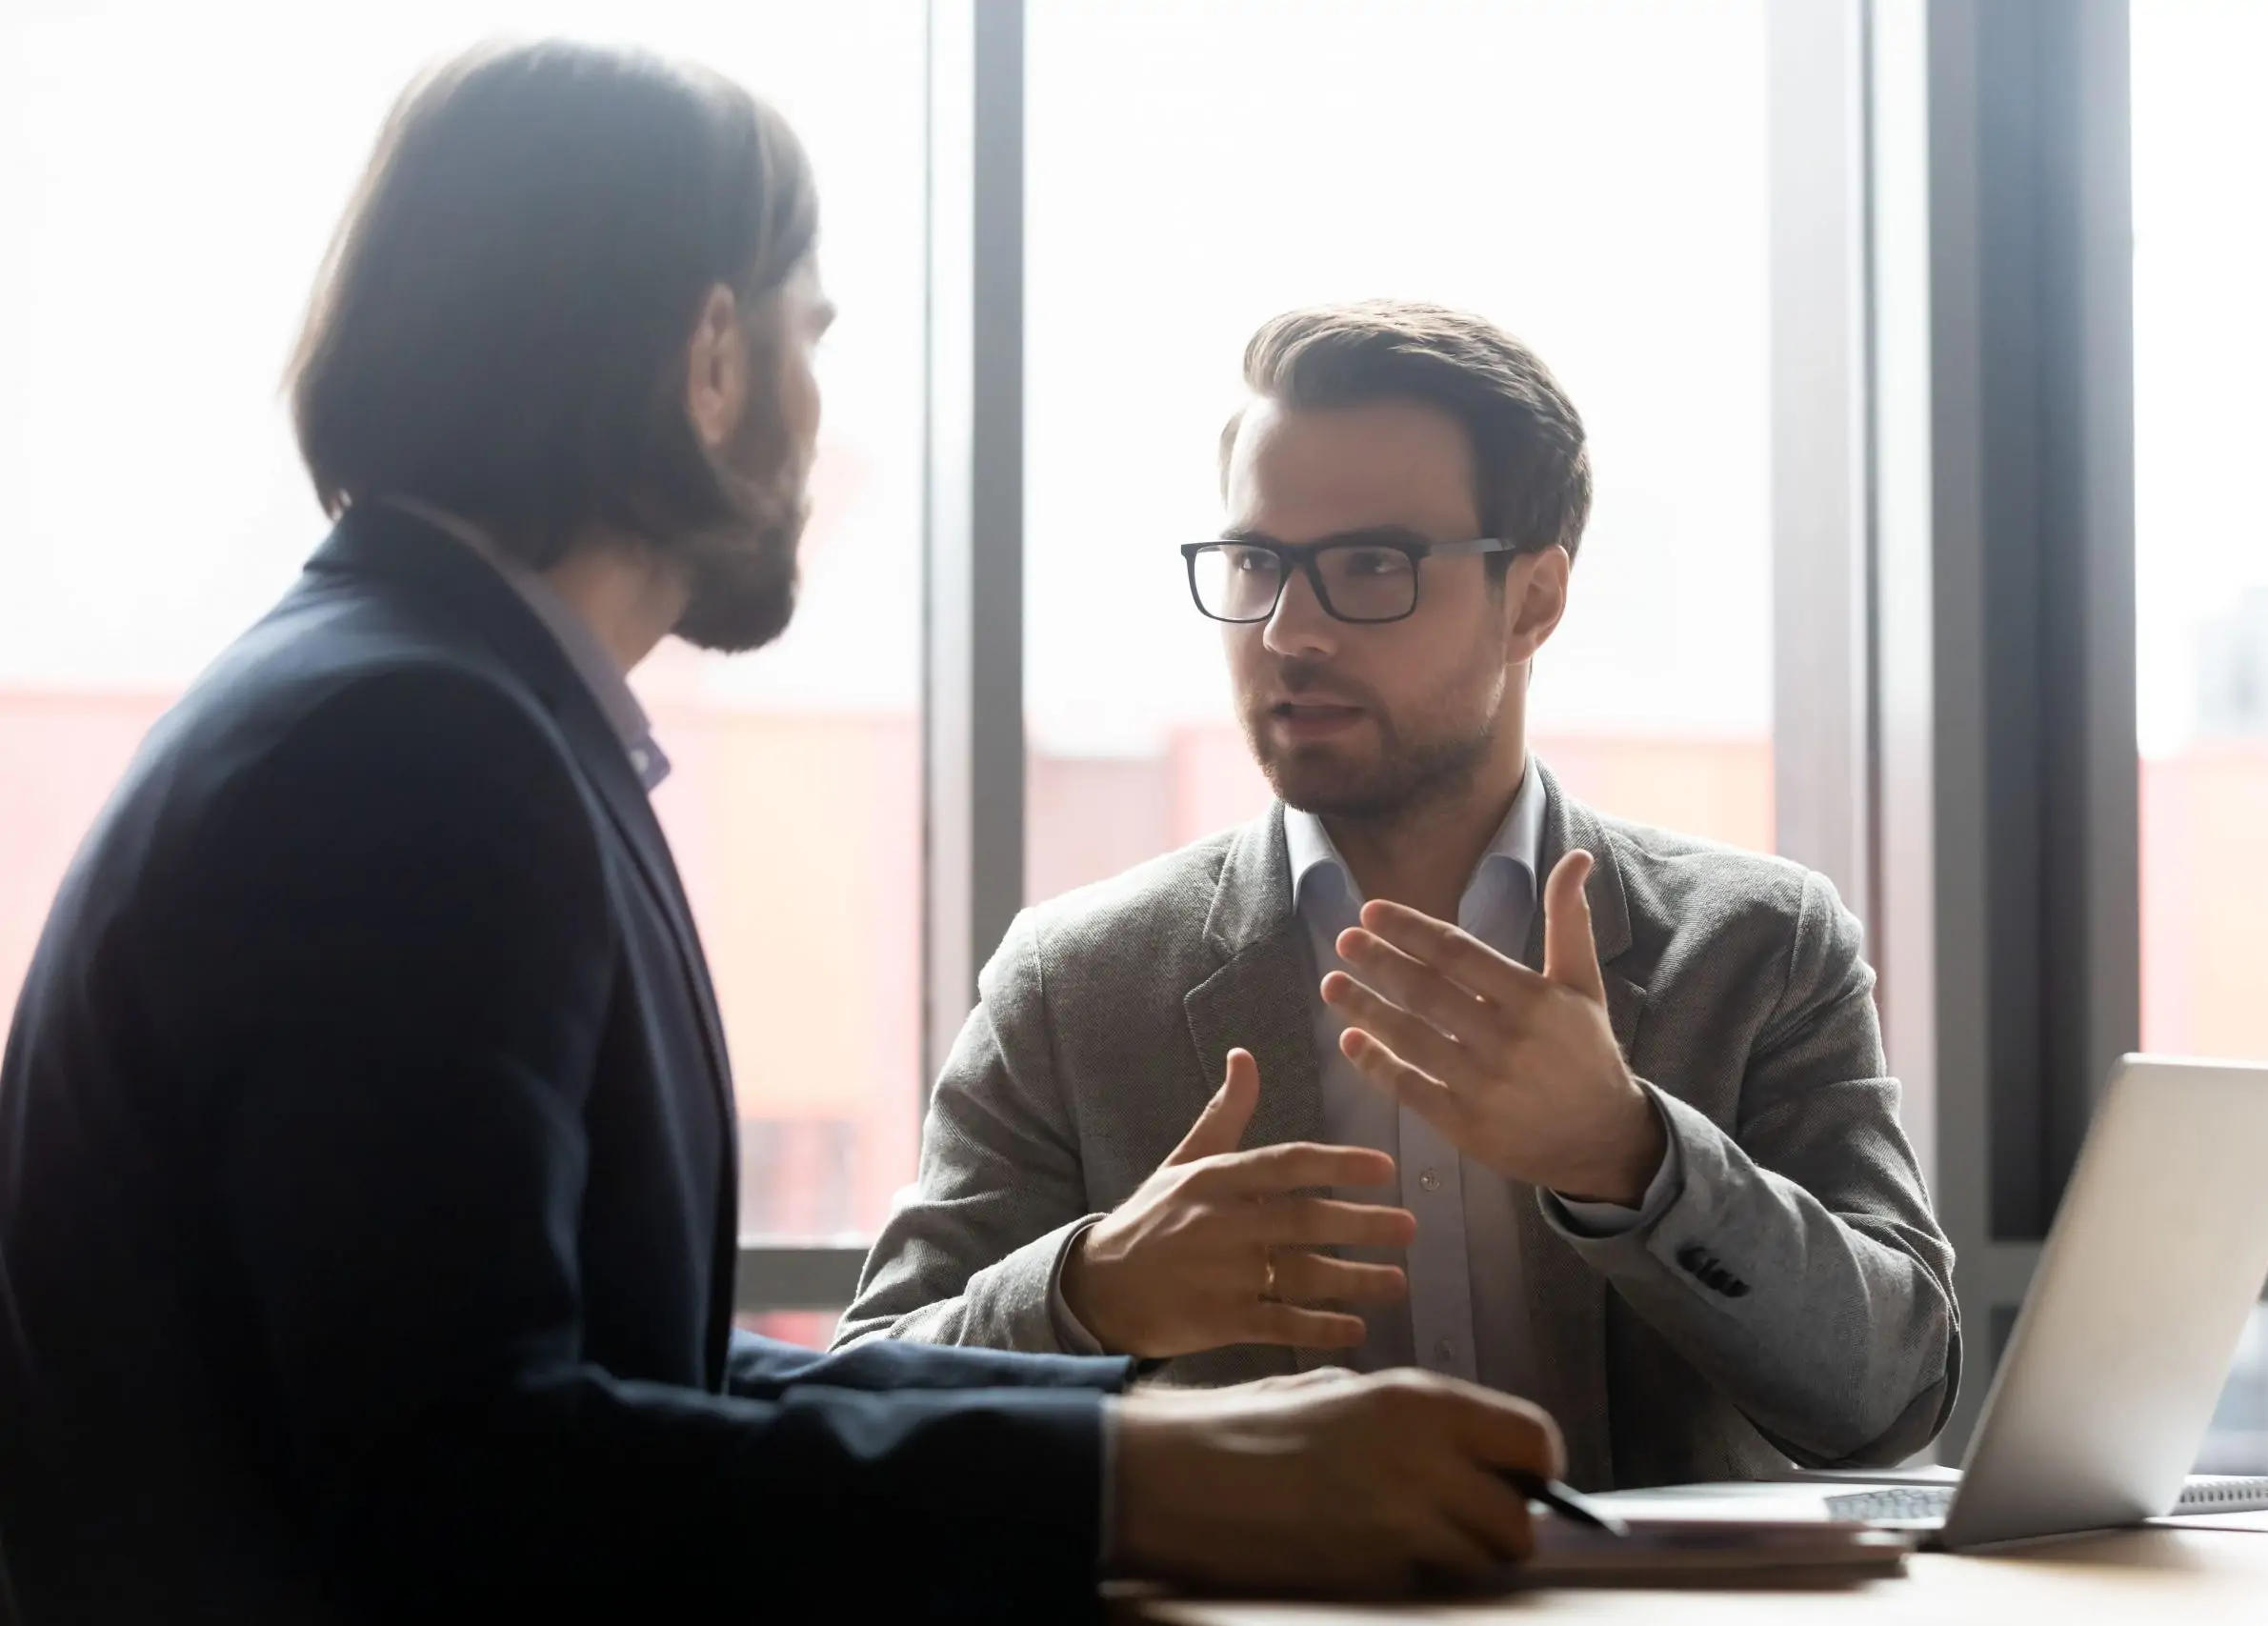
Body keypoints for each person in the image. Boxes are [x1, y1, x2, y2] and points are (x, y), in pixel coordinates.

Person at [0, 47, 1564, 1622]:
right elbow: (459, 1468)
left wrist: (1153, 1434)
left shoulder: (428, 709)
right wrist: (1153, 1486)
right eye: (813, 336)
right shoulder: (410, 755)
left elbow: (619, 1371)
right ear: (712, 361)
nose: (828, 428)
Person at [838, 300, 1962, 1491]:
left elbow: (1890, 1399)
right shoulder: (1075, 984)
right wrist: (1087, 1292)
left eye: (1370, 565)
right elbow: (860, 1406)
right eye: (1257, 562)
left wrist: (1632, 1158)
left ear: (1532, 599)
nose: (1290, 628)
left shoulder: (1757, 947)